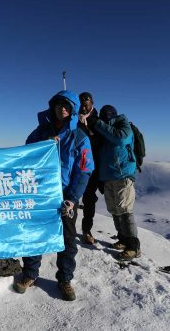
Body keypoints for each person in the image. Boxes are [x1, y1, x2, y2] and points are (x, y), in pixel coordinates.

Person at [13, 90, 94, 301]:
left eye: (67, 105)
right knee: (34, 235)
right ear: (53, 107)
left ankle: (65, 279)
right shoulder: (39, 133)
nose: (62, 108)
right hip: (40, 195)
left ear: (74, 110)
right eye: (58, 105)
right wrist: (44, 146)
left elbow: (84, 170)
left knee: (67, 239)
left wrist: (73, 198)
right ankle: (30, 274)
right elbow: (24, 158)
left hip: (66, 197)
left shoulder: (79, 137)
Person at [92, 105, 141, 260]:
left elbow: (120, 138)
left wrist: (97, 123)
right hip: (108, 176)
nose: (104, 117)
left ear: (113, 115)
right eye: (102, 115)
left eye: (106, 115)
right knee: (114, 209)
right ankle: (123, 239)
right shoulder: (103, 129)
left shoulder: (123, 124)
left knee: (125, 209)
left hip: (123, 174)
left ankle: (134, 247)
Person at [76, 92, 102, 245]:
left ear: (92, 103)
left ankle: (86, 230)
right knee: (68, 198)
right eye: (81, 104)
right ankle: (66, 230)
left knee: (89, 199)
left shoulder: (97, 121)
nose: (83, 106)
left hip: (91, 168)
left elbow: (98, 143)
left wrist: (86, 129)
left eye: (86, 104)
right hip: (74, 165)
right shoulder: (73, 119)